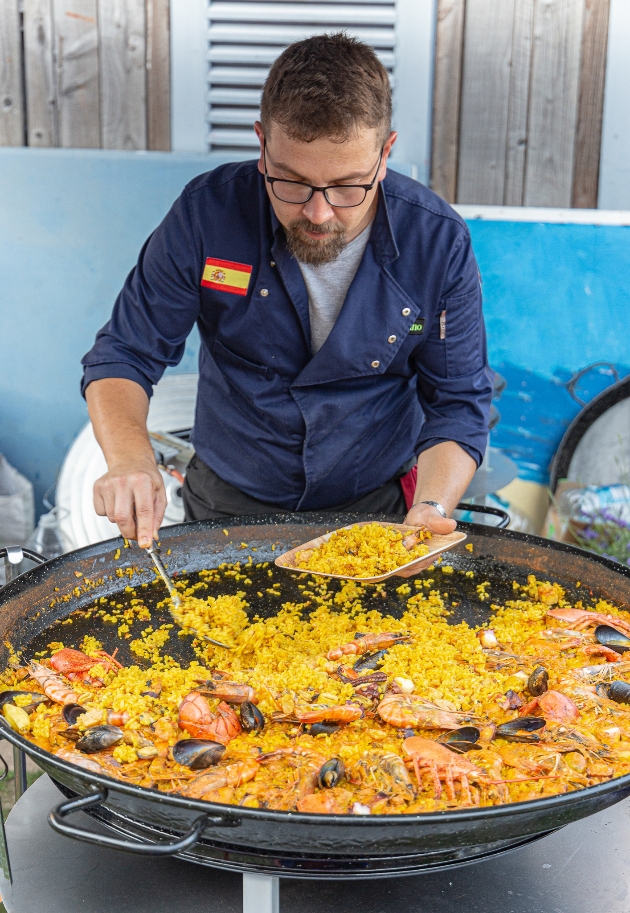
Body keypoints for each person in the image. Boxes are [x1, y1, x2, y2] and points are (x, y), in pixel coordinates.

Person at [82, 32, 493, 559]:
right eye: (292, 183)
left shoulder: (436, 242)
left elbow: (458, 403)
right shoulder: (206, 215)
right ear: (262, 144)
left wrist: (432, 510)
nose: (318, 214)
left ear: (385, 153)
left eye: (348, 187)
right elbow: (124, 354)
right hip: (228, 501)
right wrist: (130, 458)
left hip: (374, 512)